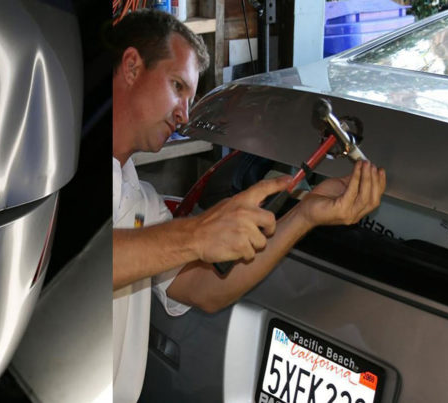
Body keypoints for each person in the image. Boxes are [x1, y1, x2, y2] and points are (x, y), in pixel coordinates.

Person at [110, 9, 385, 402]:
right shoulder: (60, 167)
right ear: (132, 66)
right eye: (177, 86)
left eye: (190, 98)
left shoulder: (141, 200)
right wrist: (198, 235)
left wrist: (304, 215)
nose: (184, 114)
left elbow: (206, 289)